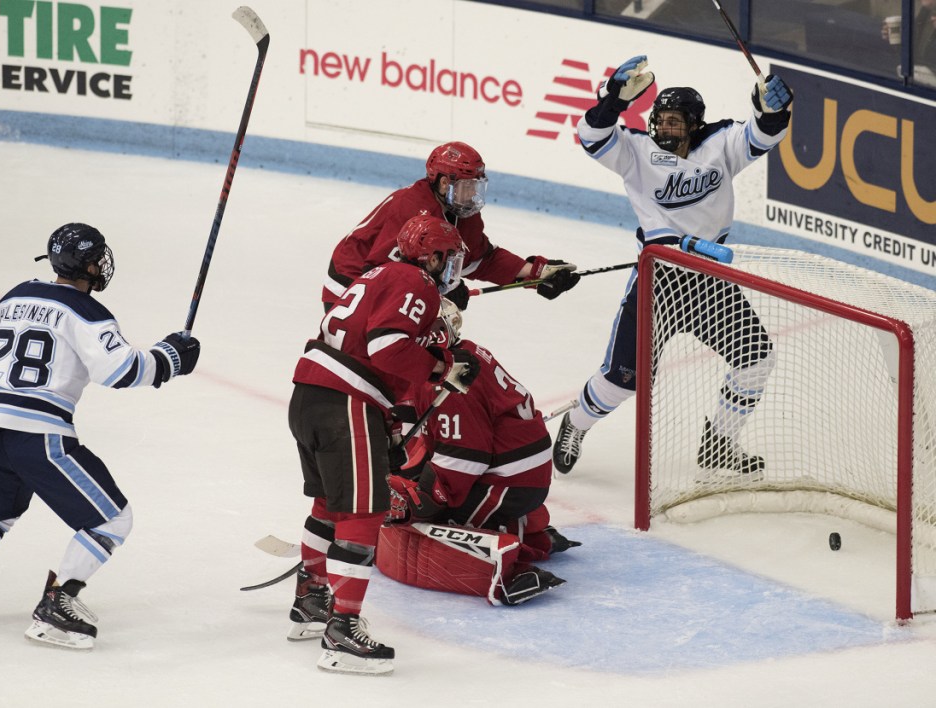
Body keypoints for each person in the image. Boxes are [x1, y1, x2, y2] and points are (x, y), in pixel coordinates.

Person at [0, 223, 201, 650]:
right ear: (89, 264)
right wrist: (171, 358)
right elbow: (122, 370)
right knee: (112, 519)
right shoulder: (85, 311)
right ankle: (58, 602)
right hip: (40, 436)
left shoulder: (13, 296)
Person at [553, 56, 792, 477]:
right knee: (621, 381)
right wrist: (612, 101)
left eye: (674, 123)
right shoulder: (636, 152)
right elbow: (591, 136)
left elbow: (764, 134)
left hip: (710, 284)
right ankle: (576, 423)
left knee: (755, 359)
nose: (664, 129)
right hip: (656, 283)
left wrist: (773, 110)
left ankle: (719, 443)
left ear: (695, 125)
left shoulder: (721, 144)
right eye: (660, 121)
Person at [287, 214, 479, 676]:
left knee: (328, 505)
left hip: (310, 395)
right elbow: (387, 347)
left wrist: (389, 430)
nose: (450, 267)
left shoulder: (377, 275)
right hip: (345, 400)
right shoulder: (416, 281)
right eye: (448, 257)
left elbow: (372, 347)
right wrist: (440, 368)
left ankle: (311, 599)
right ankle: (342, 631)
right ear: (430, 255)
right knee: (365, 513)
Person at [388, 298, 581, 564]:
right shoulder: (465, 353)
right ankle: (530, 528)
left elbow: (465, 460)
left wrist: (421, 503)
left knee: (434, 523)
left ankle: (514, 560)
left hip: (508, 481)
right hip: (519, 473)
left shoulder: (447, 382)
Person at [321, 141, 581, 312]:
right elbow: (382, 272)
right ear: (445, 184)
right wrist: (441, 292)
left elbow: (480, 259)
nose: (474, 196)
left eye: (477, 187)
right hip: (351, 284)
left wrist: (535, 273)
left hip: (383, 283)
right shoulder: (412, 210)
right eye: (468, 187)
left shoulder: (461, 212)